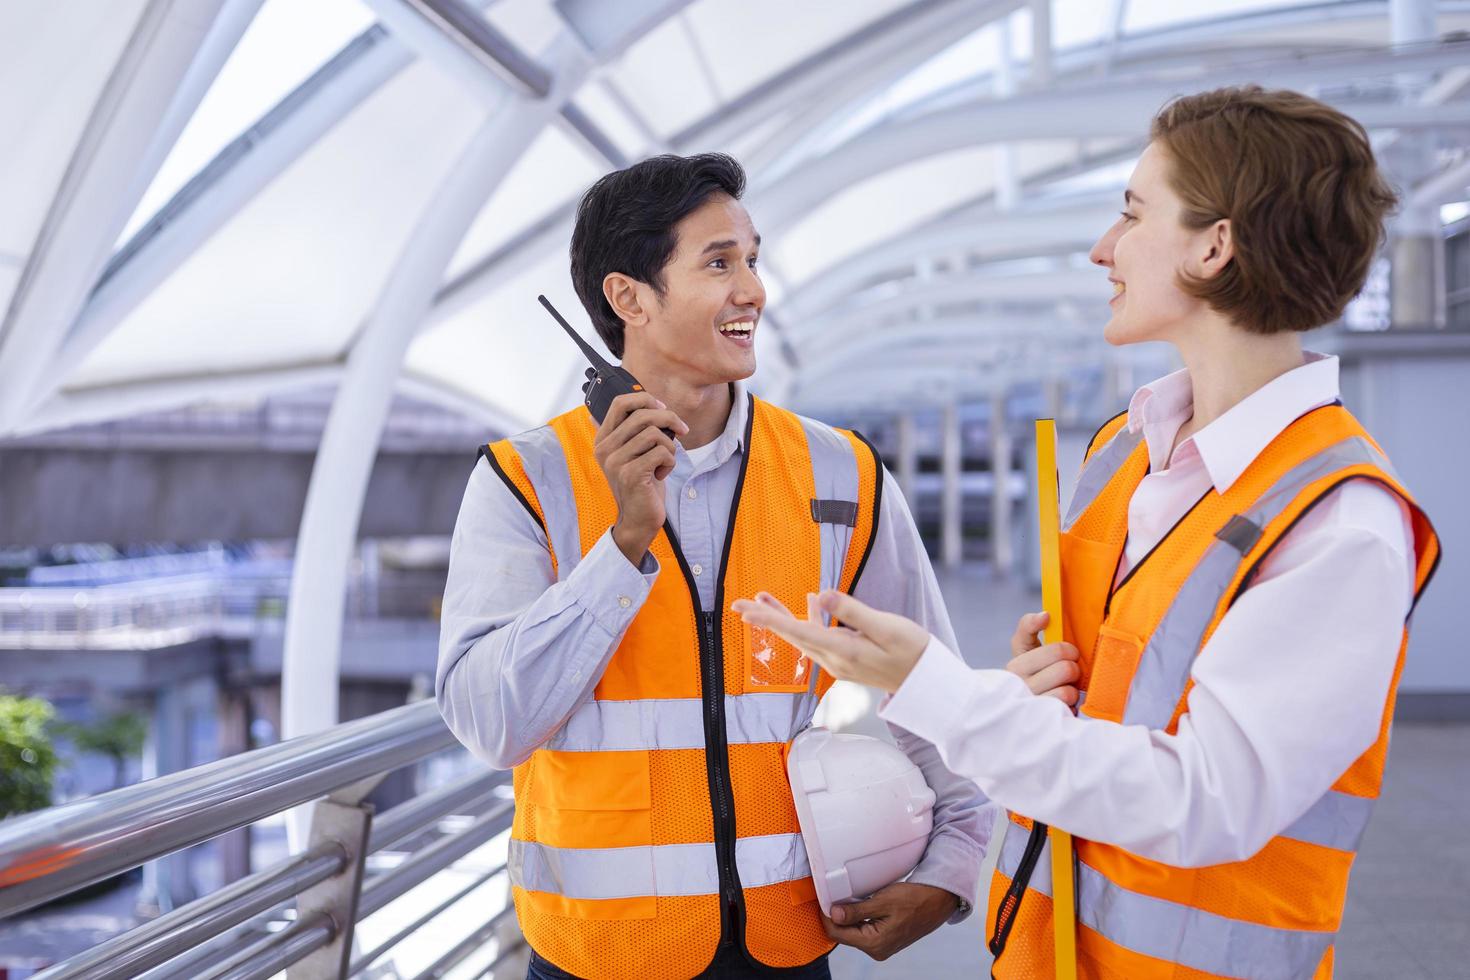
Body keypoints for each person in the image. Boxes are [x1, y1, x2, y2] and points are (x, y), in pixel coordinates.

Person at [734, 86, 1440, 980]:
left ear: (1215, 247)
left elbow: (1202, 801)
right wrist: (1036, 695)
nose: (1103, 247)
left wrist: (932, 686)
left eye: (1133, 214)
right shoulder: (1123, 457)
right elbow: (1114, 715)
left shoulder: (1338, 522)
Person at [436, 153, 995, 980]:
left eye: (754, 259)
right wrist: (622, 545)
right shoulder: (527, 481)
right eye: (719, 263)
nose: (755, 291)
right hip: (597, 957)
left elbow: (932, 682)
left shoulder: (840, 474)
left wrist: (951, 875)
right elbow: (492, 724)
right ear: (630, 297)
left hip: (790, 948)